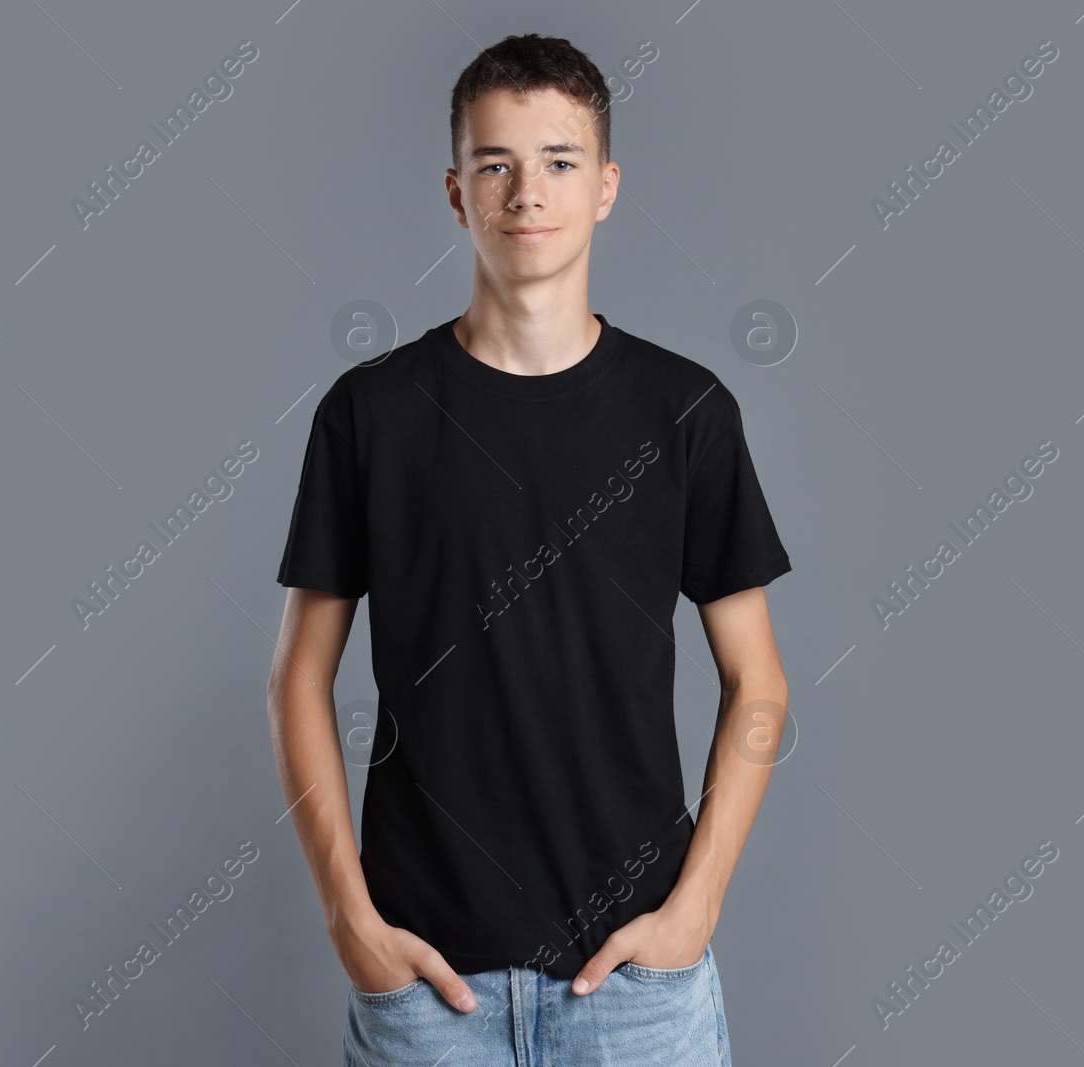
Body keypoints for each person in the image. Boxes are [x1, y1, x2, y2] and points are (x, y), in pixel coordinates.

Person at [267, 32, 791, 1066]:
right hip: (429, 988)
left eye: (557, 162)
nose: (526, 193)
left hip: (637, 985)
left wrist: (693, 909)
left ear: (604, 185)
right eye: (496, 165)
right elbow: (297, 679)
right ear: (457, 191)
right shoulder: (370, 413)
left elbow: (758, 683)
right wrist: (347, 918)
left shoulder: (682, 412)